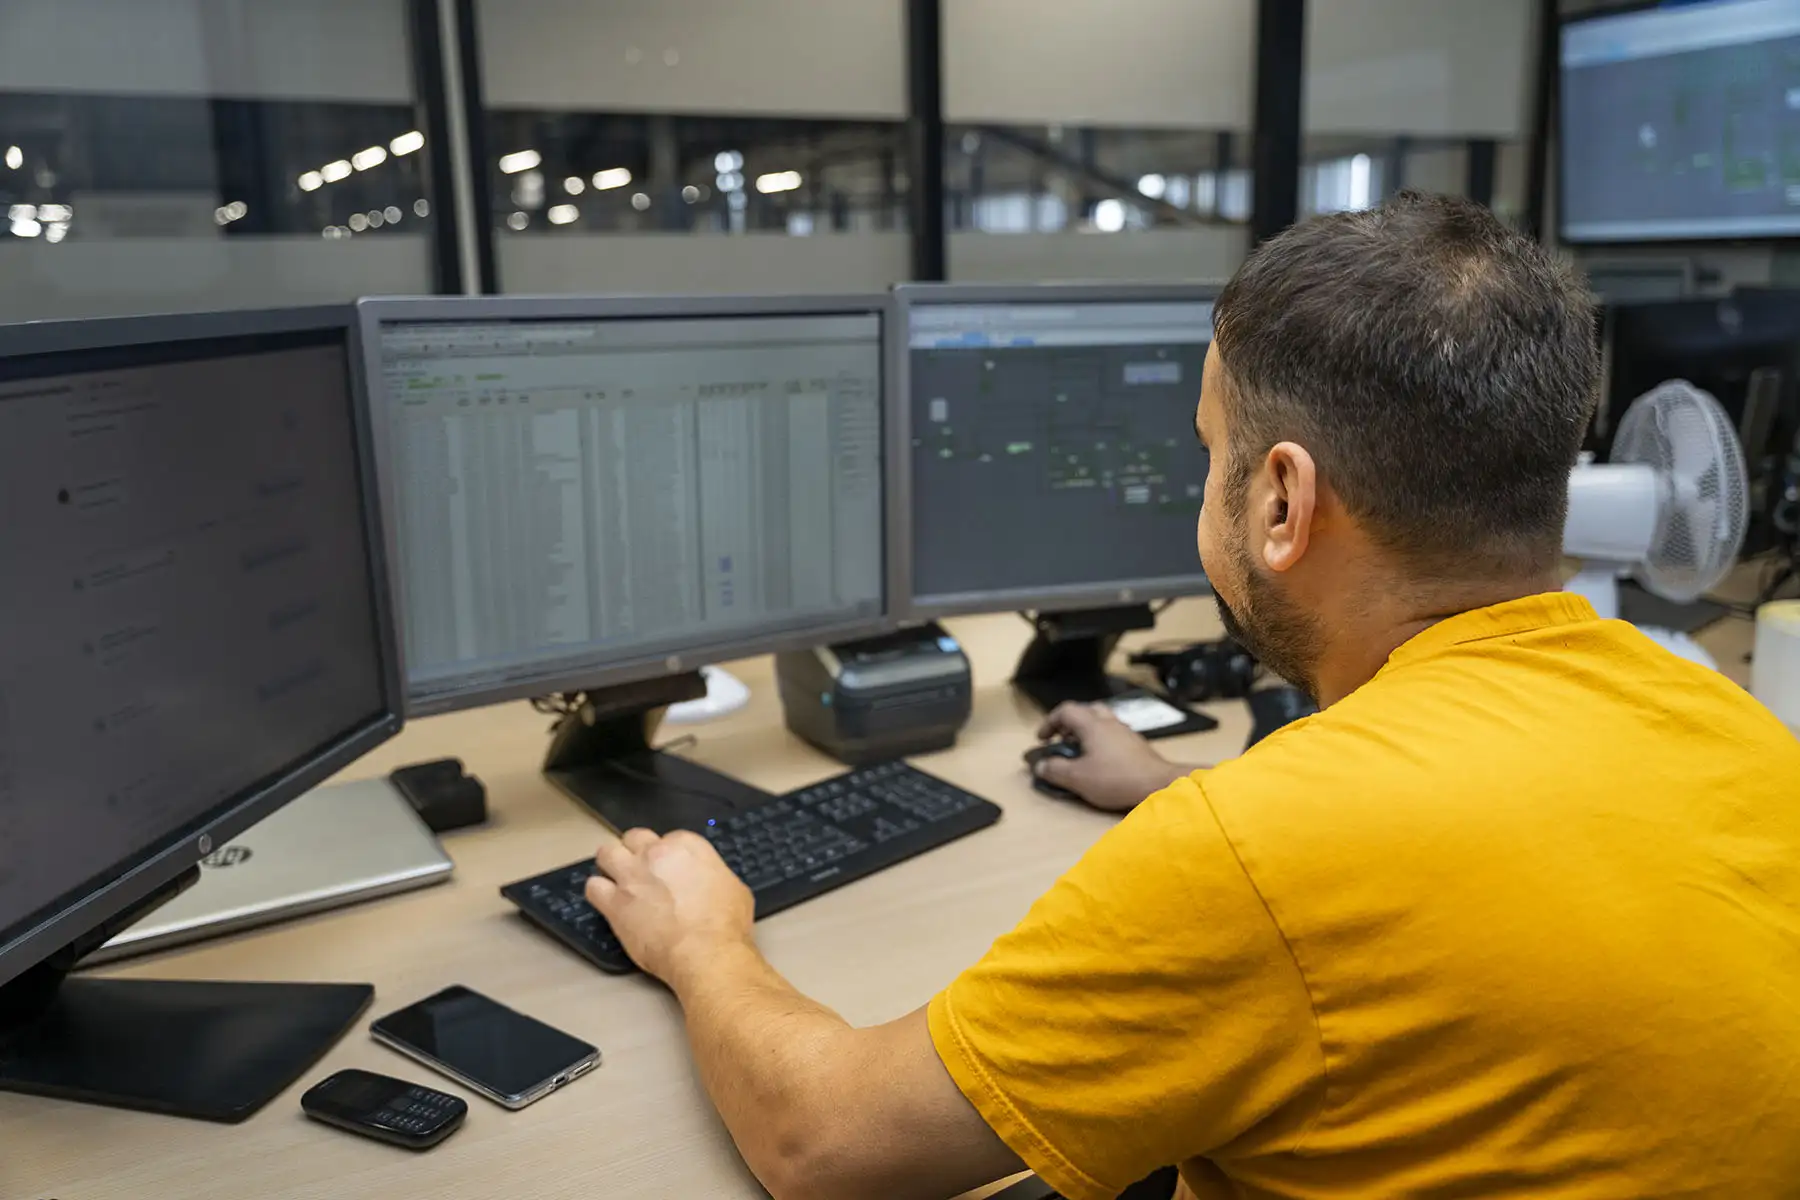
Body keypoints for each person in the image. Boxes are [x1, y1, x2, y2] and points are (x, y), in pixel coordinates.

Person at [583, 192, 1800, 1200]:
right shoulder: (1730, 730)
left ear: (1281, 503)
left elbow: (823, 1146)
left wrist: (701, 943)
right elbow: (1501, 863)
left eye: (1206, 449)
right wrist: (1176, 786)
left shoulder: (1256, 856)